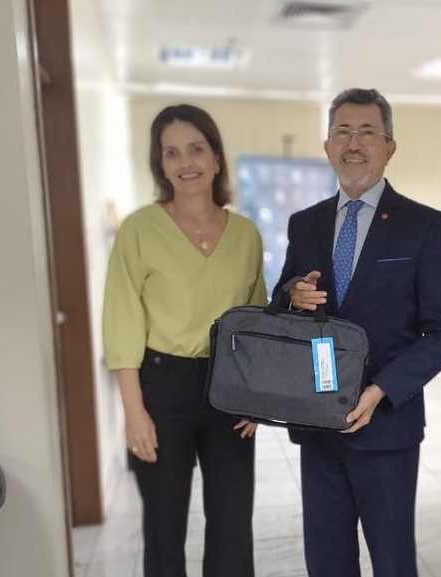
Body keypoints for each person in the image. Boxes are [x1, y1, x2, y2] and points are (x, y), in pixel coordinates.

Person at [274, 88, 441, 577]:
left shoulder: (424, 226)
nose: (353, 143)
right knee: (327, 561)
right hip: (318, 423)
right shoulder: (305, 224)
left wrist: (381, 390)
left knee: (392, 560)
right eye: (342, 131)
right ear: (327, 145)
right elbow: (281, 302)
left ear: (389, 146)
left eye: (367, 132)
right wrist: (293, 294)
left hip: (387, 428)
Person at [102, 104, 267, 577]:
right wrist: (134, 412)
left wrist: (255, 397)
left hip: (229, 390)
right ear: (160, 164)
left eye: (196, 148)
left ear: (216, 158)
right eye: (171, 152)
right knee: (163, 529)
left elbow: (255, 323)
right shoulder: (139, 230)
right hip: (161, 388)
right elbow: (122, 322)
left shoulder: (245, 235)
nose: (185, 162)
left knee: (233, 526)